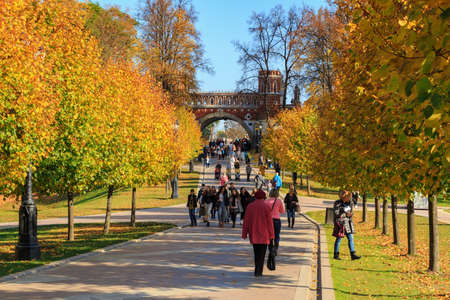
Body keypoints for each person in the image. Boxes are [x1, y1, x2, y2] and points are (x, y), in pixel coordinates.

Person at [242, 190, 275, 277]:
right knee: (262, 254)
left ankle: (257, 269)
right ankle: (259, 271)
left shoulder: (250, 206)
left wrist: (244, 233)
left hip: (254, 233)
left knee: (256, 253)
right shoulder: (266, 207)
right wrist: (272, 234)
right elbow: (270, 223)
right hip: (264, 234)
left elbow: (246, 221)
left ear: (255, 196)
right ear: (264, 197)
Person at [333, 190, 361, 260]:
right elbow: (336, 213)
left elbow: (351, 212)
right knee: (339, 238)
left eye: (348, 196)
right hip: (341, 223)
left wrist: (350, 214)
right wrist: (343, 210)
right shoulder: (337, 203)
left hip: (348, 223)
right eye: (346, 196)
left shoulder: (350, 203)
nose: (348, 198)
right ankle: (336, 255)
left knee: (351, 238)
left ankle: (353, 254)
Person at [266, 189, 284, 255]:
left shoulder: (266, 201)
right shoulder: (279, 201)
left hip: (269, 221)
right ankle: (275, 248)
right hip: (276, 220)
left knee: (269, 235)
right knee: (277, 235)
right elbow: (282, 211)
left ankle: (270, 249)